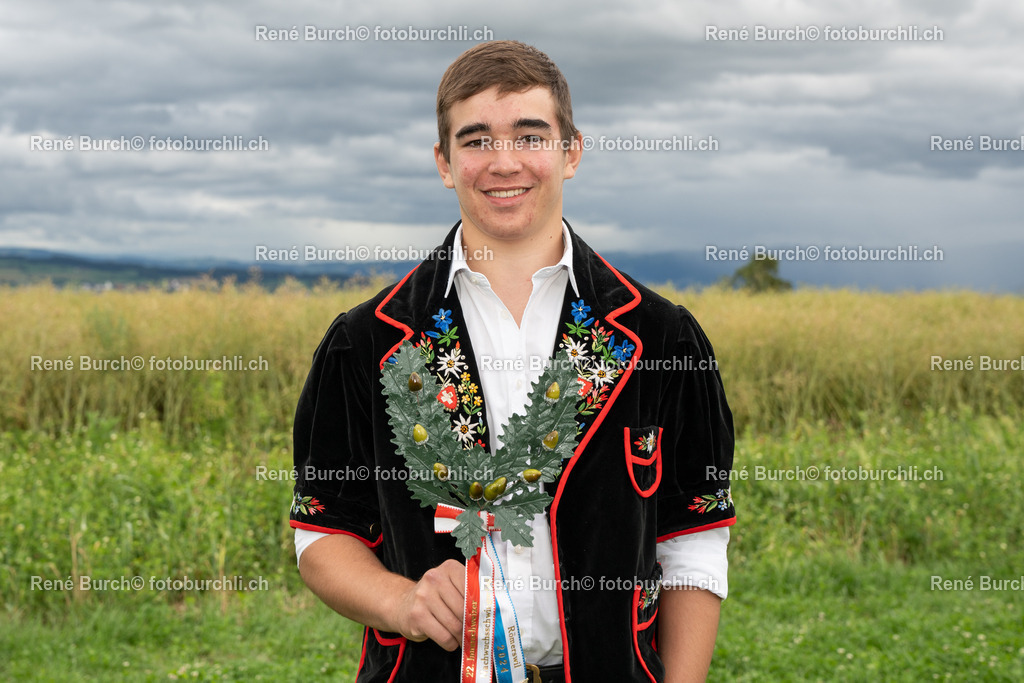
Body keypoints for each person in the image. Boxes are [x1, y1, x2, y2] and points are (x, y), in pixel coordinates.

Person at [290, 40, 735, 683]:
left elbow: (692, 538)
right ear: (444, 163)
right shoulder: (366, 342)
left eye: (530, 135)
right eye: (475, 141)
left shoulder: (662, 338)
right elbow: (322, 534)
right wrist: (403, 601)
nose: (504, 163)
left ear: (571, 151)